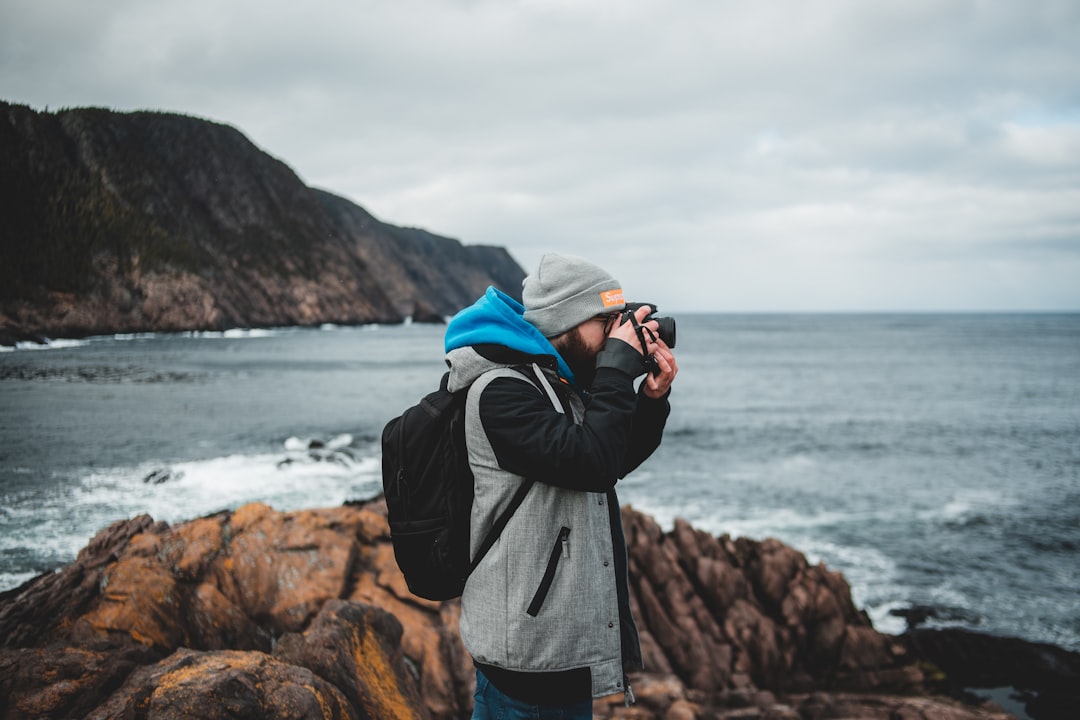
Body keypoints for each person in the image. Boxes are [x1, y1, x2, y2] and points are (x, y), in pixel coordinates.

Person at [443, 253, 678, 719]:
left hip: (554, 656)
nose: (617, 336)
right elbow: (590, 462)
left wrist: (650, 400)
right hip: (527, 665)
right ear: (566, 323)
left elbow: (605, 462)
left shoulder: (556, 385)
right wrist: (614, 371)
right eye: (606, 323)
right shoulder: (501, 391)